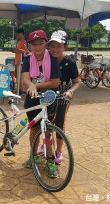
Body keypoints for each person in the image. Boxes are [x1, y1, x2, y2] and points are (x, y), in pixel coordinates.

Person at [21, 30, 61, 178]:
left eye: (41, 43)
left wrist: (35, 85)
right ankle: (33, 155)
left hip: (48, 99)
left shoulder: (52, 58)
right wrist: (29, 84)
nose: (37, 47)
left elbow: (55, 82)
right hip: (32, 100)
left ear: (46, 44)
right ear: (29, 45)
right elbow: (25, 79)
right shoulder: (28, 59)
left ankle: (50, 160)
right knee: (34, 129)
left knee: (47, 130)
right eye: (34, 44)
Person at [46, 30, 80, 164]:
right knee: (46, 125)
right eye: (52, 46)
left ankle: (59, 151)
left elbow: (76, 82)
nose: (55, 49)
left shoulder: (70, 63)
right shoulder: (46, 59)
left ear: (65, 47)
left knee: (59, 125)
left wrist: (70, 91)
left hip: (62, 99)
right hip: (48, 98)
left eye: (59, 46)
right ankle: (47, 147)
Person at [11, 28, 29, 94]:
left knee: (20, 77)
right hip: (17, 60)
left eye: (18, 34)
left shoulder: (25, 41)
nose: (18, 36)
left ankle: (20, 90)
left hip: (21, 61)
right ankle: (19, 89)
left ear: (21, 34)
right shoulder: (19, 42)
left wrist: (16, 50)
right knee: (17, 76)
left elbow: (25, 51)